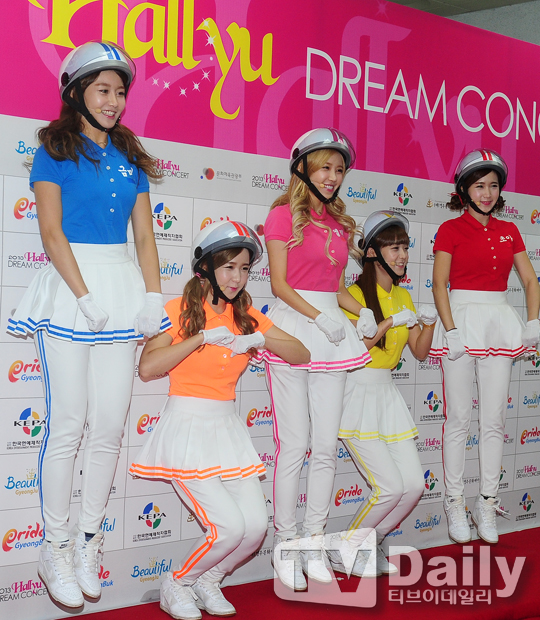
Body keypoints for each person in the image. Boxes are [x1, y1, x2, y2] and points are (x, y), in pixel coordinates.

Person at [7, 42, 170, 607]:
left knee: (108, 429)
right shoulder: (53, 150)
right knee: (68, 425)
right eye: (103, 89)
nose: (113, 101)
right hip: (70, 289)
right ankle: (53, 547)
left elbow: (144, 235)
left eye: (120, 91)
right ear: (76, 91)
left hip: (121, 290)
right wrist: (82, 294)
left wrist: (153, 297)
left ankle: (88, 541)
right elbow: (51, 232)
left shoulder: (130, 157)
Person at [129, 220, 309, 620]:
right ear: (206, 267)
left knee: (256, 526)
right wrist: (200, 338)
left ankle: (208, 580)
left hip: (227, 431)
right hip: (187, 429)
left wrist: (260, 338)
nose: (237, 278)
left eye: (244, 269)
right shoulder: (178, 311)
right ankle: (177, 583)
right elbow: (148, 368)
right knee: (228, 527)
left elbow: (301, 354)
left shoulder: (245, 316)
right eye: (229, 267)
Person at [259, 128, 378, 591]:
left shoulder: (338, 222)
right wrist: (319, 317)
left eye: (339, 169)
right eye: (324, 167)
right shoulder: (280, 215)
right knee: (294, 445)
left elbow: (336, 287)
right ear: (302, 169)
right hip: (295, 327)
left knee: (326, 447)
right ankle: (286, 545)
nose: (333, 176)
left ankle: (313, 541)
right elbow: (280, 285)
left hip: (331, 334)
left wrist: (359, 310)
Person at [431, 149, 540, 545]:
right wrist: (451, 329)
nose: (487, 193)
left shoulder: (510, 230)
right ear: (464, 190)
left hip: (498, 323)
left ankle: (487, 503)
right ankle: (454, 501)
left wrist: (533, 321)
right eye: (479, 186)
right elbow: (438, 283)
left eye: (493, 186)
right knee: (458, 419)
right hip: (460, 320)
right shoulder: (450, 228)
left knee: (493, 420)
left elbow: (530, 280)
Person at [327, 211, 436, 577]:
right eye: (394, 248)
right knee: (388, 487)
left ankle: (366, 544)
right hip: (357, 392)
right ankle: (344, 548)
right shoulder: (354, 295)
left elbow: (419, 352)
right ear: (372, 252)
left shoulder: (403, 295)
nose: (402, 255)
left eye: (405, 247)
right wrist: (390, 322)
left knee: (414, 486)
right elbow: (358, 346)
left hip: (387, 394)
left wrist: (429, 323)